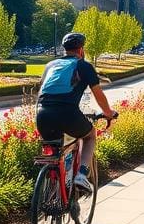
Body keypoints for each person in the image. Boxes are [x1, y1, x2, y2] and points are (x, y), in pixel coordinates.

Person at [35, 31, 119, 193]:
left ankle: (52, 187)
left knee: (54, 149)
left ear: (64, 49)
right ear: (81, 49)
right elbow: (98, 94)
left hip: (43, 114)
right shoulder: (84, 66)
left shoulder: (50, 66)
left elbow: (42, 89)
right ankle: (81, 175)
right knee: (90, 135)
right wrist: (108, 112)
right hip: (68, 114)